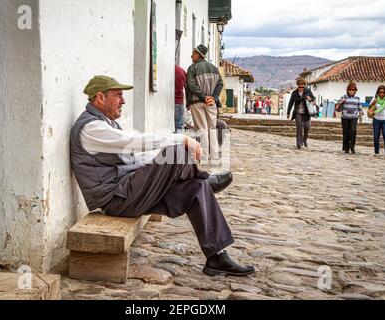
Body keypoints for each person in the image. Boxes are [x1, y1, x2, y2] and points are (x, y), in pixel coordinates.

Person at [70, 75, 255, 277]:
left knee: (196, 189)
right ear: (100, 98)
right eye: (118, 95)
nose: (123, 100)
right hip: (115, 200)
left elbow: (135, 157)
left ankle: (217, 257)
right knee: (177, 152)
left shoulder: (106, 124)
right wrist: (180, 139)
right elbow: (134, 142)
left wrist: (161, 161)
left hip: (127, 193)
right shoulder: (91, 128)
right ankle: (203, 178)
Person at [186, 45, 223, 161]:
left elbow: (192, 86)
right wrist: (213, 97)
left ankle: (204, 155)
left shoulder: (192, 68)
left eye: (193, 53)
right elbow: (220, 84)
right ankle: (215, 154)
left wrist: (203, 97)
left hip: (197, 102)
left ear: (198, 54)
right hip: (211, 103)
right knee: (212, 127)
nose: (191, 56)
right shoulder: (214, 68)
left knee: (202, 128)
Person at [287, 78, 316, 149]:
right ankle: (299, 143)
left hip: (306, 112)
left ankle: (305, 139)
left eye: (302, 87)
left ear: (304, 86)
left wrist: (310, 99)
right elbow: (291, 103)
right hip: (298, 112)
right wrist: (288, 112)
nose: (301, 88)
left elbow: (313, 98)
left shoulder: (308, 91)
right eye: (299, 87)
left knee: (307, 127)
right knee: (299, 127)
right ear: (297, 86)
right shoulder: (294, 93)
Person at [335, 82, 363, 154]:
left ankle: (352, 148)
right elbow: (337, 106)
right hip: (345, 118)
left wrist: (360, 117)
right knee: (346, 133)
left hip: (354, 118)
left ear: (355, 90)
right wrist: (341, 101)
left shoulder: (357, 98)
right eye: (350, 89)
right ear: (347, 90)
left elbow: (360, 108)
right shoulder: (343, 97)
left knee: (353, 132)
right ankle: (346, 148)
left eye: (353, 90)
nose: (351, 91)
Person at [369, 85, 385, 160]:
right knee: (376, 137)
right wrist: (373, 103)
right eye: (380, 92)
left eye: (383, 92)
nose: (381, 93)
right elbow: (370, 108)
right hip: (376, 120)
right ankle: (376, 152)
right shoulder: (375, 98)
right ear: (378, 92)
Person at [175, 65, 186, 133]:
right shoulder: (181, 71)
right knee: (179, 126)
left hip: (165, 102)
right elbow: (187, 87)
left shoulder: (164, 69)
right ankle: (179, 143)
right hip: (179, 102)